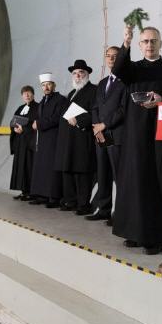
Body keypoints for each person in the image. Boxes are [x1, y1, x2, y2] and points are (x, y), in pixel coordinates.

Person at [111, 25, 162, 255]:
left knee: (158, 185)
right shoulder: (133, 69)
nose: (149, 44)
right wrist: (125, 42)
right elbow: (117, 70)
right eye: (145, 41)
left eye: (153, 41)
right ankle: (134, 234)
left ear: (160, 43)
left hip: (160, 137)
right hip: (135, 137)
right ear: (139, 45)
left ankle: (154, 238)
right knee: (134, 184)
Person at [86, 46, 126, 224]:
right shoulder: (102, 83)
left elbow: (123, 109)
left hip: (116, 135)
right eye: (108, 56)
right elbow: (95, 107)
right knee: (102, 173)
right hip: (100, 135)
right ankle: (104, 209)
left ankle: (121, 214)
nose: (111, 59)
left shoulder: (126, 81)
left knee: (119, 175)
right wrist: (96, 126)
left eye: (115, 56)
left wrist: (105, 124)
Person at [54, 60, 98, 215]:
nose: (78, 75)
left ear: (87, 74)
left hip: (82, 138)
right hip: (68, 140)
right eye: (75, 73)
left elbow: (96, 113)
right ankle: (71, 200)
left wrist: (80, 120)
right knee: (69, 171)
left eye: (81, 72)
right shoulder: (71, 94)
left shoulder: (94, 90)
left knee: (81, 173)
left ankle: (83, 204)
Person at [29, 73, 67, 208]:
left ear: (54, 85)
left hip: (54, 138)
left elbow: (57, 118)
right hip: (43, 139)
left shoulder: (61, 99)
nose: (46, 87)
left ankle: (54, 197)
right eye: (43, 85)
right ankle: (42, 195)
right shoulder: (42, 102)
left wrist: (39, 124)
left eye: (48, 84)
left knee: (51, 168)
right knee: (42, 167)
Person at [9, 85, 39, 201]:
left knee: (29, 167)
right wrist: (15, 129)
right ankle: (24, 191)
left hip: (30, 143)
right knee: (21, 168)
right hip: (20, 143)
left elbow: (35, 125)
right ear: (22, 96)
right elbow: (12, 122)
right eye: (24, 93)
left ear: (33, 94)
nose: (26, 95)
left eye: (29, 93)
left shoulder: (37, 107)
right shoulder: (20, 108)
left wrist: (24, 130)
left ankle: (32, 192)